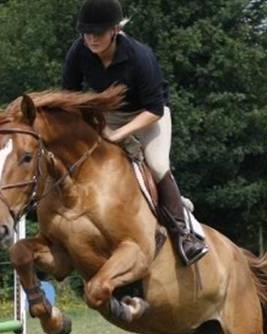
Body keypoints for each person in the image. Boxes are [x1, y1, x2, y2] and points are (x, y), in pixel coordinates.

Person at [62, 0, 208, 266]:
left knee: (157, 164)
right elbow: (69, 96)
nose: (91, 39)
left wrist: (118, 135)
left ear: (116, 30)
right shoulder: (78, 51)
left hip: (148, 115)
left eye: (99, 33)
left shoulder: (140, 56)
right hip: (108, 113)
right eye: (86, 32)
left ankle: (185, 233)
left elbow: (154, 110)